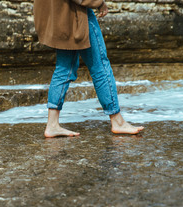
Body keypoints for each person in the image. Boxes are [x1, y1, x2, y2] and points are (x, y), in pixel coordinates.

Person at [33, 0, 144, 138]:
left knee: (64, 69)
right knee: (100, 66)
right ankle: (118, 121)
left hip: (59, 15)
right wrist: (98, 2)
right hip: (77, 13)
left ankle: (52, 124)